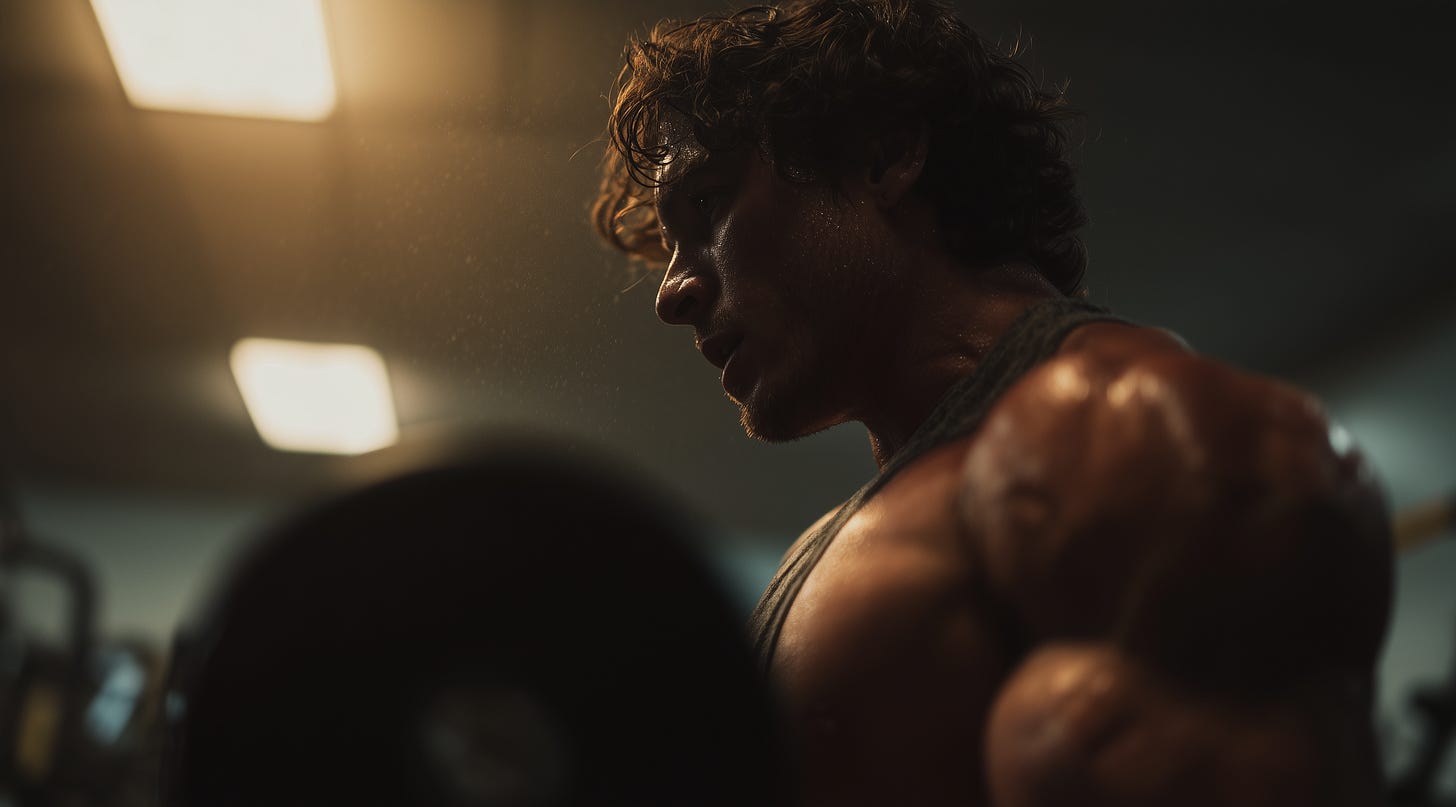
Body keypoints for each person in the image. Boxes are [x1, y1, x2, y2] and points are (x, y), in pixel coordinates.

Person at [591, 1, 1393, 804]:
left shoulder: (1133, 441)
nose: (673, 291)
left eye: (709, 202)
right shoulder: (849, 537)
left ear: (885, 155)